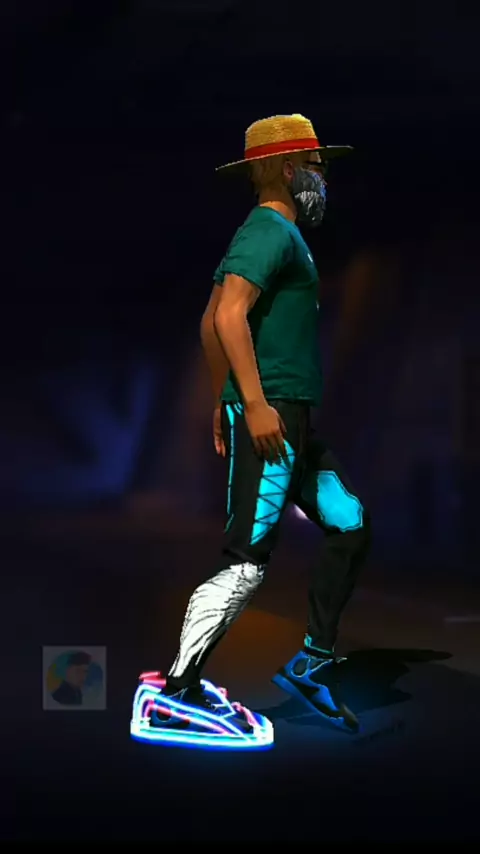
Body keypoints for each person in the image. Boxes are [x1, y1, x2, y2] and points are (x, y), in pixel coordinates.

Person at [161, 114, 371, 733]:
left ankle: (313, 662)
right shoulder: (269, 230)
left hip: (287, 415)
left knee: (349, 523)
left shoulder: (279, 234)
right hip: (273, 414)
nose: (323, 178)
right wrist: (250, 405)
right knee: (246, 561)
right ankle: (177, 690)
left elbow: (210, 322)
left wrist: (225, 398)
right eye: (316, 166)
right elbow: (228, 316)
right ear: (286, 168)